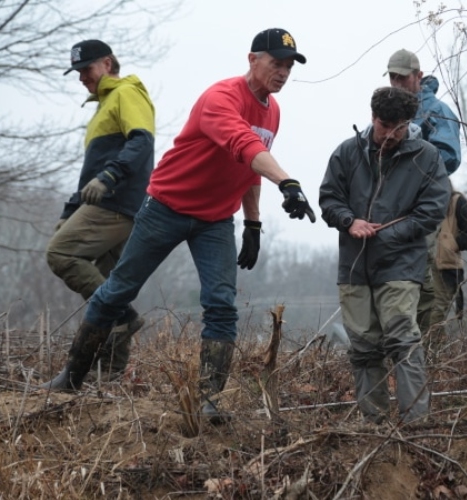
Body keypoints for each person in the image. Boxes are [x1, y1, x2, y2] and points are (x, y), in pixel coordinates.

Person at [39, 28, 317, 425]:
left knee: (221, 305)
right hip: (166, 207)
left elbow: (250, 168)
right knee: (118, 289)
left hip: (216, 220)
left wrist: (253, 223)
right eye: (277, 63)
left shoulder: (272, 110)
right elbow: (243, 144)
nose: (284, 72)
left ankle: (209, 401)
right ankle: (71, 377)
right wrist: (288, 183)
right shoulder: (220, 97)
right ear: (252, 60)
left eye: (290, 66)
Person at [319, 86, 450, 424]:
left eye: (400, 127)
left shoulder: (427, 157)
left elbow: (432, 210)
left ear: (409, 123)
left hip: (402, 264)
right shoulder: (346, 153)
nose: (391, 134)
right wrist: (350, 222)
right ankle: (374, 425)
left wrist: (387, 234)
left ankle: (416, 425)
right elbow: (329, 199)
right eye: (384, 125)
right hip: (354, 266)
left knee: (402, 338)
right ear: (372, 117)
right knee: (363, 346)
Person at [46, 40, 155, 381]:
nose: (81, 77)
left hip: (115, 201)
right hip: (106, 200)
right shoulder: (103, 106)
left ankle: (122, 316)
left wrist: (110, 177)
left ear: (107, 63)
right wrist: (70, 208)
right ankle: (110, 378)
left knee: (60, 253)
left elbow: (142, 141)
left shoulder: (127, 93)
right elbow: (90, 168)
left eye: (87, 69)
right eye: (77, 71)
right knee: (113, 281)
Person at [385, 48, 461, 339]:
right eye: (392, 77)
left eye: (402, 77)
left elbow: (449, 156)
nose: (397, 83)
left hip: (428, 205)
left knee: (427, 274)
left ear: (418, 76)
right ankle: (401, 345)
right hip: (394, 207)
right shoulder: (390, 110)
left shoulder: (436, 112)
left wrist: (414, 169)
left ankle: (428, 352)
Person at [426, 181, 467, 354]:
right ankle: (430, 357)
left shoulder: (457, 201)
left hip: (446, 268)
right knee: (423, 314)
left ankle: (432, 358)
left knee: (436, 313)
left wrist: (451, 244)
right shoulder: (421, 203)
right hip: (421, 266)